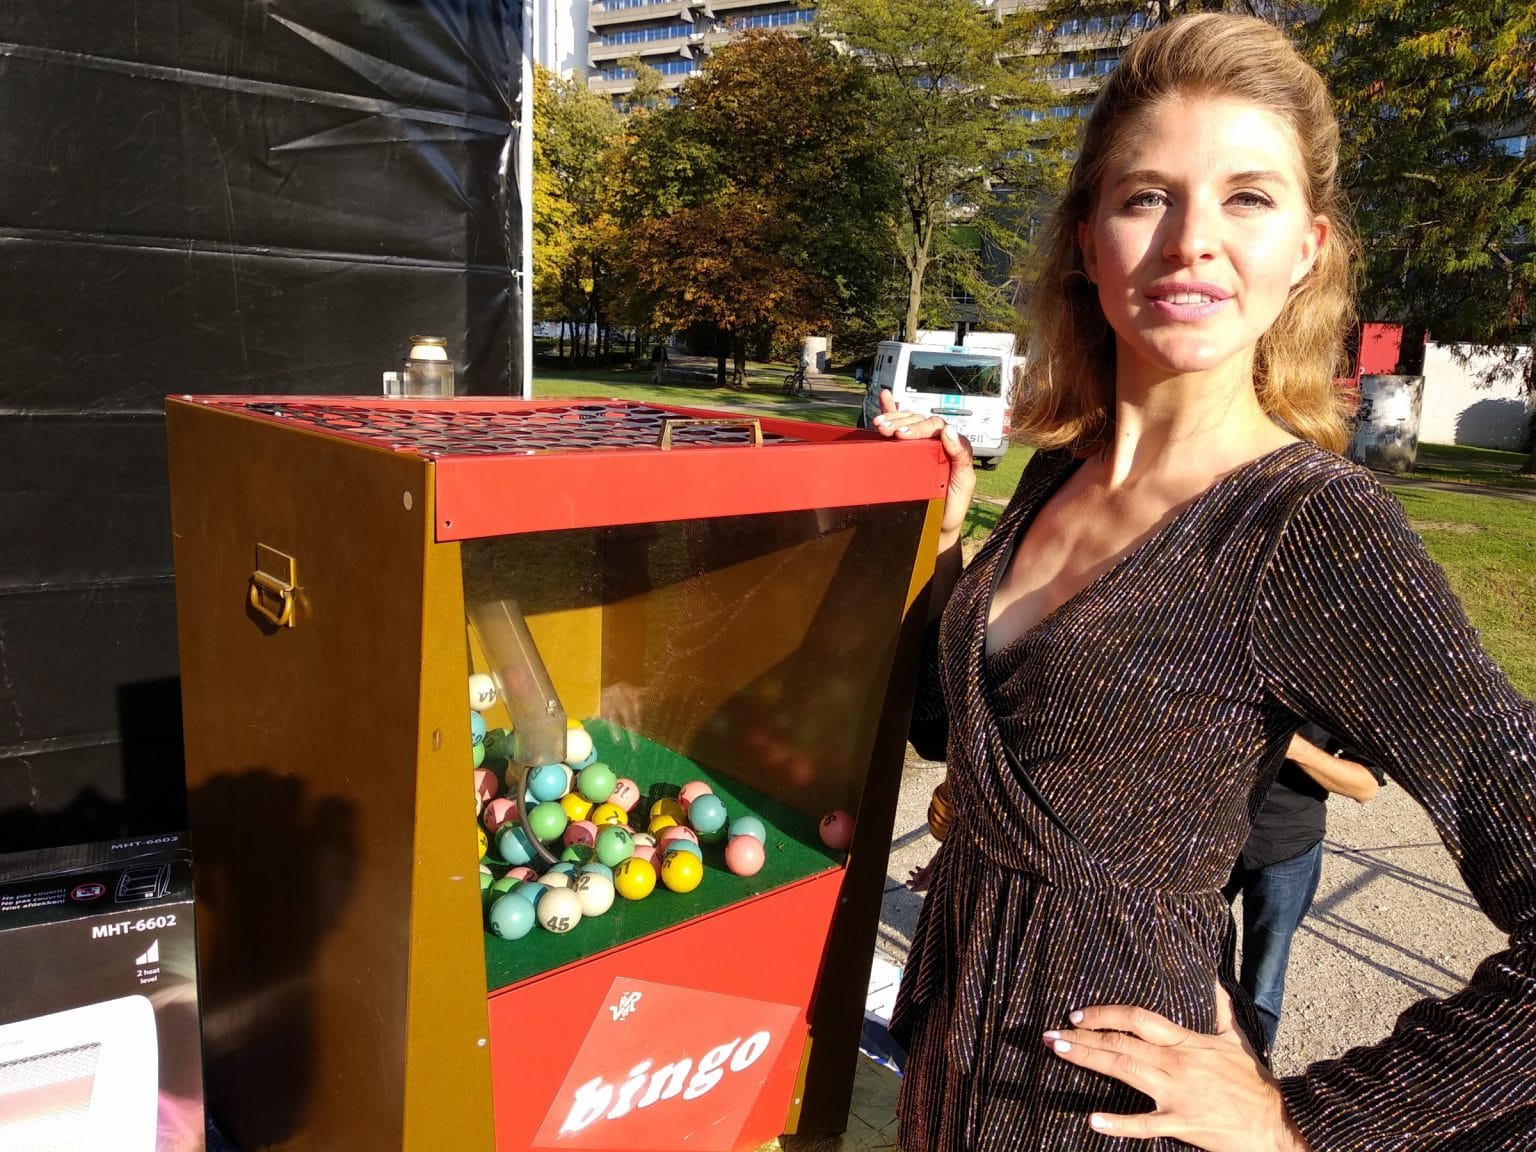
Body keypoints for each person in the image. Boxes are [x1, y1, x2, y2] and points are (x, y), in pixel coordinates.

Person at [870, 13, 1536, 1152]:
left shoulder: (1309, 529)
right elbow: (952, 735)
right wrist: (938, 540)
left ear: (1306, 249)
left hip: (1105, 1124)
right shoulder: (1057, 474)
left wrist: (1302, 1123)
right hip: (943, 1087)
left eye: (1247, 198)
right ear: (1088, 241)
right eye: (1147, 197)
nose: (1192, 243)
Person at [1224, 725, 1381, 1053]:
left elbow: (1365, 786)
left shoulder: (1336, 693)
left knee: (1263, 982)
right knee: (1185, 961)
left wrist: (1290, 745)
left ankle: (1254, 1066)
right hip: (1204, 844)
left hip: (1286, 846)